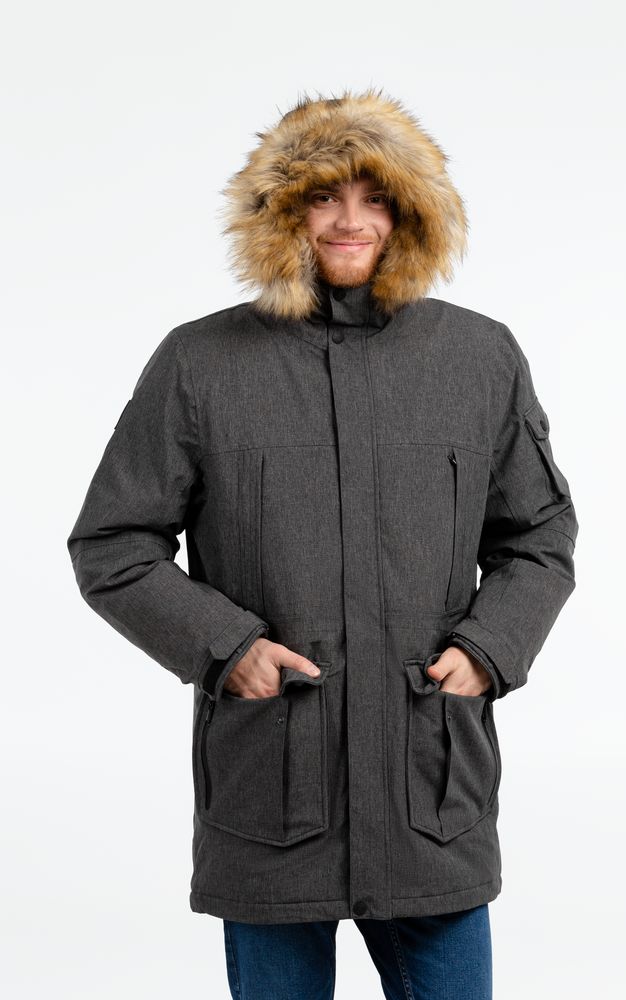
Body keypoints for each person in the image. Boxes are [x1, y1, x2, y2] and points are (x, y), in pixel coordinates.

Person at [67, 87, 578, 999]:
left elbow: (537, 534)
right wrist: (225, 647)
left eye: (376, 198)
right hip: (274, 785)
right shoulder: (200, 361)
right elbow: (114, 544)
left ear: (410, 214)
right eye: (322, 197)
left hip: (429, 788)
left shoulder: (478, 357)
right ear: (281, 213)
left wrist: (488, 647)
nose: (350, 221)